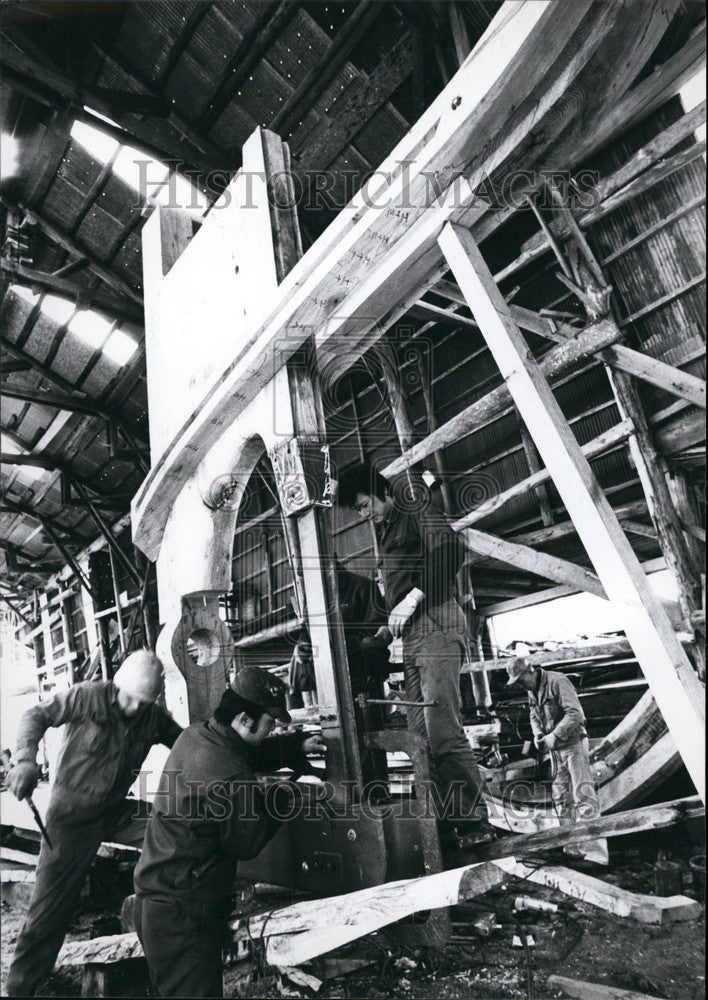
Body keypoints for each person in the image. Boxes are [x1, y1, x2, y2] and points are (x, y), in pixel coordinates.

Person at [133, 665, 326, 998]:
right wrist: (286, 795)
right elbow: (247, 842)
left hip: (156, 902)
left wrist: (296, 747)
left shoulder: (195, 735)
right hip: (183, 919)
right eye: (269, 724)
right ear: (245, 719)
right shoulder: (230, 774)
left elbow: (244, 752)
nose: (271, 731)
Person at [5, 650, 182, 997]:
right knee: (47, 912)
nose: (133, 708)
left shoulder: (152, 716)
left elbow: (193, 746)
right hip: (69, 820)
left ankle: (167, 937)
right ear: (117, 686)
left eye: (142, 702)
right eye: (130, 699)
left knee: (174, 829)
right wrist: (25, 760)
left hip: (114, 811)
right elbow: (35, 715)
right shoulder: (86, 696)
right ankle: (20, 989)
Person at [336, 462, 493, 844]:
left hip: (436, 622)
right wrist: (384, 629)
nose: (364, 514)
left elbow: (450, 552)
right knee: (418, 733)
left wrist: (413, 599)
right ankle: (442, 824)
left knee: (442, 730)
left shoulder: (416, 510)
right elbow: (396, 604)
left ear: (381, 491)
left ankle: (474, 820)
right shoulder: (387, 532)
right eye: (358, 511)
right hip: (412, 636)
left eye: (363, 505)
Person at [506, 658, 609, 865]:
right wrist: (537, 733)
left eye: (520, 680)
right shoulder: (531, 689)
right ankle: (572, 848)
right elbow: (534, 715)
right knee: (562, 797)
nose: (519, 685)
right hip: (556, 751)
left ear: (530, 671)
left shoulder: (557, 681)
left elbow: (575, 713)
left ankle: (596, 855)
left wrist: (554, 735)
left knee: (583, 795)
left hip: (573, 745)